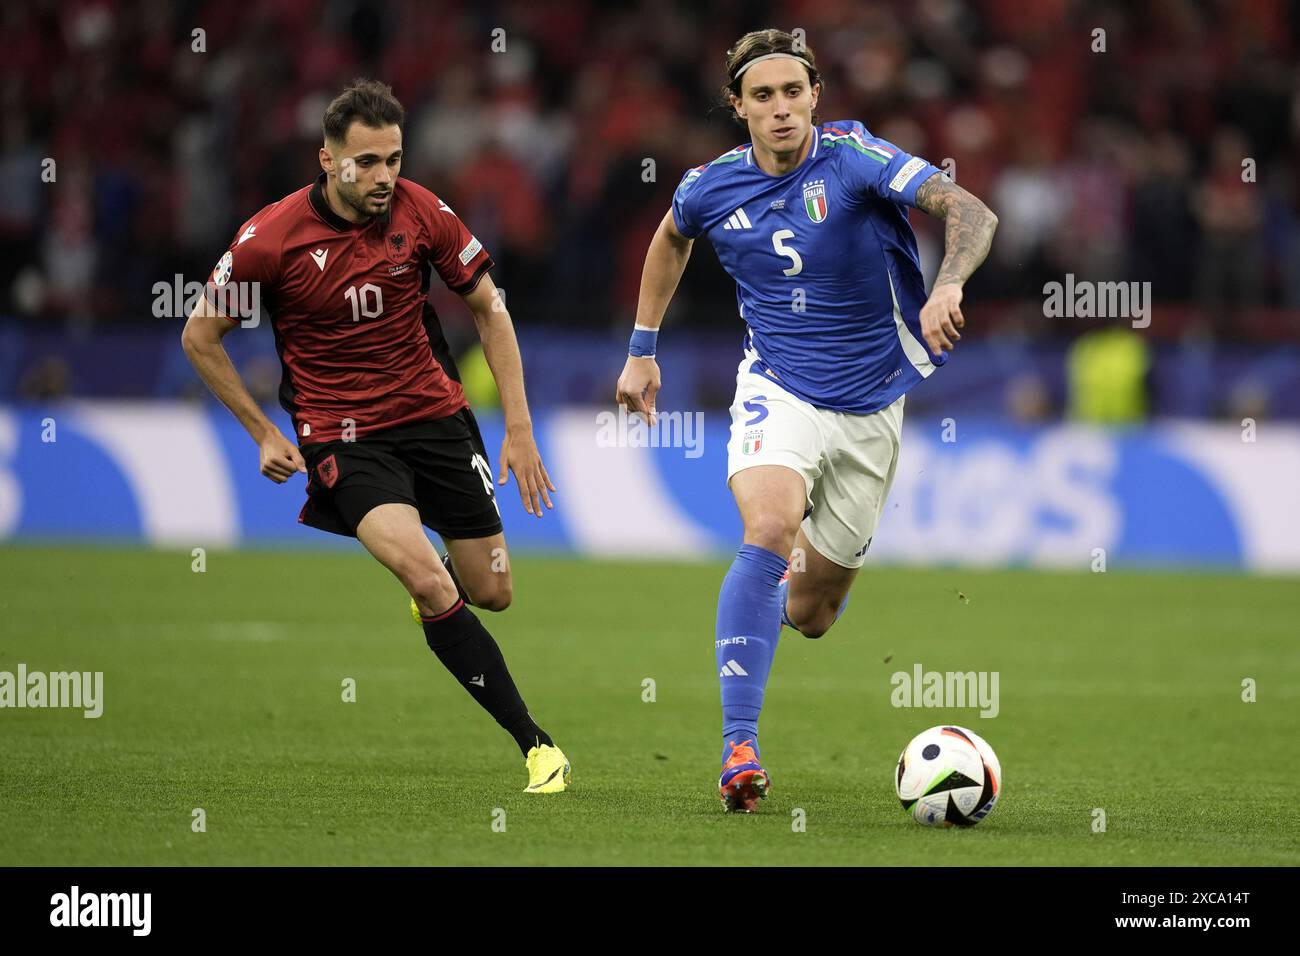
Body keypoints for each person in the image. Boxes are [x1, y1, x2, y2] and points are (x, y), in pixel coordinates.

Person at [615, 31, 997, 812]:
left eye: (794, 92)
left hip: (872, 404)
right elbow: (669, 238)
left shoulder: (857, 158)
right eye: (763, 96)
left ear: (815, 94)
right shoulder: (707, 186)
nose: (781, 108)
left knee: (813, 614)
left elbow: (969, 208)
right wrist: (642, 348)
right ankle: (738, 747)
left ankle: (775, 592)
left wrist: (948, 283)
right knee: (768, 526)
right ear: (738, 107)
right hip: (778, 388)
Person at [182, 79, 569, 794]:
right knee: (425, 577)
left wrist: (518, 426)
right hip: (343, 437)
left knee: (492, 592)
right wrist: (264, 431)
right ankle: (536, 746)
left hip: (436, 419)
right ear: (327, 161)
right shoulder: (271, 241)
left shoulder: (423, 213)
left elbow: (490, 308)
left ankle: (440, 588)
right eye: (367, 162)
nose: (385, 175)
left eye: (393, 158)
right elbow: (201, 335)